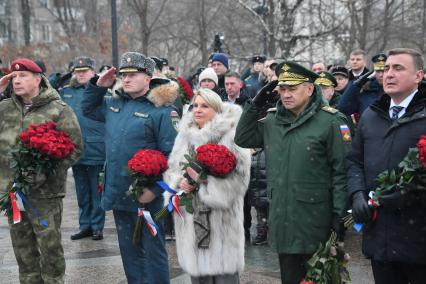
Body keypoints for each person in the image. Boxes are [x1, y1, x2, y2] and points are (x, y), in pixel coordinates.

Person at [235, 61, 350, 284]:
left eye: (292, 88)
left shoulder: (331, 121)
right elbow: (243, 138)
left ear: (309, 89)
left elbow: (341, 172)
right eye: (282, 89)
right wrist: (255, 104)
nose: (286, 94)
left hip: (317, 222)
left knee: (322, 278)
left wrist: (340, 216)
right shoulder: (272, 120)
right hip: (283, 221)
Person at [81, 52, 179, 283]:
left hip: (148, 195)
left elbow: (173, 157)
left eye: (133, 75)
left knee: (153, 251)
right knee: (129, 252)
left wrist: (155, 190)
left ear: (148, 78)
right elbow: (87, 109)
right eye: (123, 75)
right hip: (119, 191)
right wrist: (98, 86)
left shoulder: (163, 110)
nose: (126, 79)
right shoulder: (114, 103)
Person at [0, 58, 83, 283]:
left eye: (23, 76)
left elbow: (75, 149)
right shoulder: (5, 108)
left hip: (45, 195)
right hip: (13, 194)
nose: (17, 81)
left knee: (50, 249)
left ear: (38, 79)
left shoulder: (58, 110)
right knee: (23, 252)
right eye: (14, 77)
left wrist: (44, 172)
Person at [348, 48, 426, 284]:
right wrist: (357, 194)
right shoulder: (371, 116)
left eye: (398, 68)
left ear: (419, 76)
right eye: (385, 69)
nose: (388, 74)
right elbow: (354, 161)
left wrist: (406, 195)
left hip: (418, 238)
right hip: (380, 236)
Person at [163, 88, 251, 284]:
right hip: (191, 219)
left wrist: (204, 182)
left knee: (225, 277)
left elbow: (240, 181)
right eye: (195, 105)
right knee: (199, 277)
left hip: (222, 223)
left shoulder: (233, 135)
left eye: (205, 106)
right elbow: (172, 170)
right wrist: (180, 183)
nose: (198, 110)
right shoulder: (184, 136)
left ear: (217, 109)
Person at [60, 56, 106, 241]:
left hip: (96, 149)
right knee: (82, 193)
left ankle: (97, 227)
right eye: (77, 72)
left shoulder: (101, 91)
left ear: (93, 72)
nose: (81, 74)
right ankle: (84, 225)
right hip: (76, 150)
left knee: (97, 193)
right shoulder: (67, 92)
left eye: (85, 71)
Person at [339, 53, 386, 117]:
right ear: (373, 73)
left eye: (384, 71)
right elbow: (343, 108)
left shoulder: (396, 90)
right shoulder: (366, 91)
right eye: (378, 71)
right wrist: (357, 85)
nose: (381, 75)